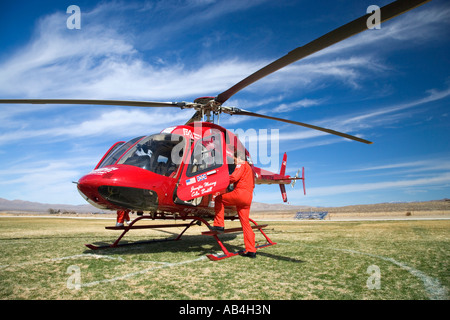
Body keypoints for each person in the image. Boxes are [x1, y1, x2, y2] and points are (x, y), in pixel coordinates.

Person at [212, 152, 257, 258]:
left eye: (235, 159)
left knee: (219, 199)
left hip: (240, 194)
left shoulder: (241, 164)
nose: (234, 161)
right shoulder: (250, 169)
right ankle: (251, 250)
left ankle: (219, 225)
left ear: (240, 158)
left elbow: (234, 177)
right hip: (248, 198)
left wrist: (221, 180)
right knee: (246, 224)